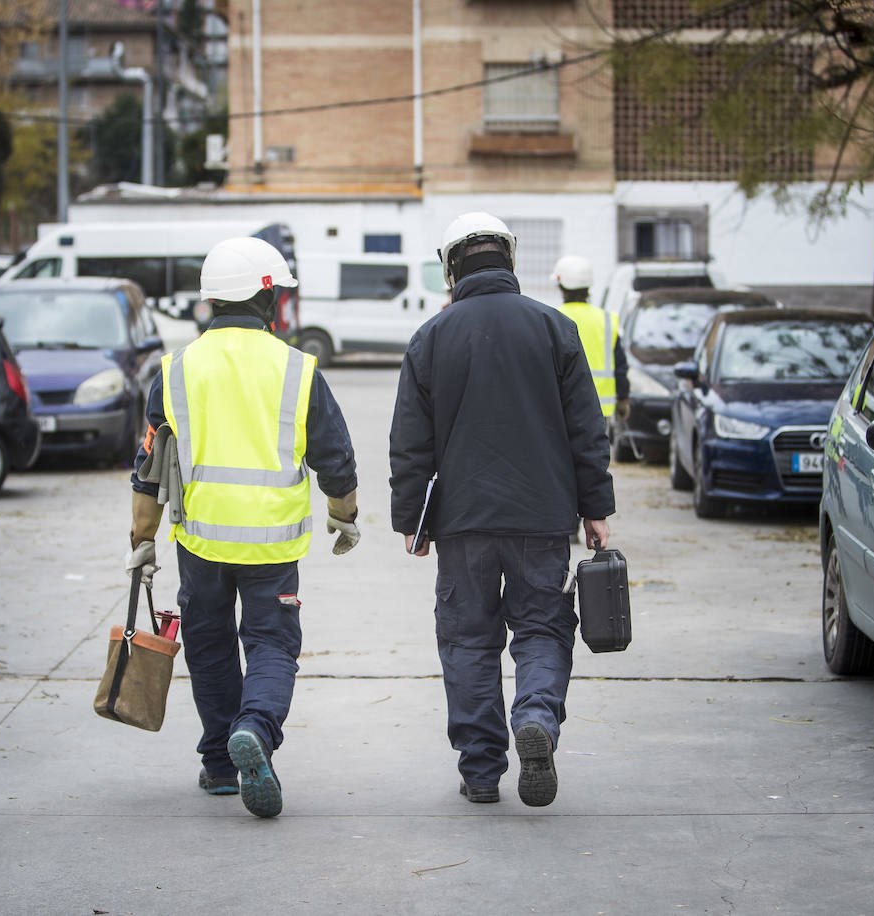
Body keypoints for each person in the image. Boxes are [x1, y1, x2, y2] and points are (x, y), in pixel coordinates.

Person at [128, 236, 360, 819]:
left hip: (199, 543)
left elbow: (149, 469)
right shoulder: (297, 368)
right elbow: (337, 458)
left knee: (208, 648)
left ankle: (218, 763)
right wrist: (344, 516)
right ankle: (255, 728)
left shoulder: (175, 370)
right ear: (266, 297)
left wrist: (142, 541)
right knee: (273, 645)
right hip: (272, 543)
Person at [389, 213, 616, 808]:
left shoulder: (430, 338)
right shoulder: (555, 328)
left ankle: (482, 771)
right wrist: (596, 508)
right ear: (510, 262)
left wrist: (411, 520)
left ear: (451, 269)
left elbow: (410, 443)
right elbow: (586, 430)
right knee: (542, 628)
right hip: (542, 518)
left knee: (468, 641)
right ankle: (535, 716)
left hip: (461, 524)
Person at [553, 254, 629, 425]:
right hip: (601, 409)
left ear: (561, 286)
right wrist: (623, 399)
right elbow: (620, 365)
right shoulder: (607, 320)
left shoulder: (553, 318)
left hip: (564, 407)